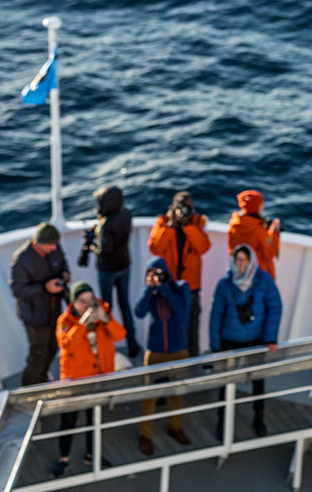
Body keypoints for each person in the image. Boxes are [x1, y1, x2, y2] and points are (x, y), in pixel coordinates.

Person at [52, 281, 125, 477]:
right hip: (75, 381)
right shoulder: (65, 321)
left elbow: (120, 335)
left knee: (95, 420)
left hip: (98, 379)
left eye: (90, 301)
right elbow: (67, 345)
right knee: (68, 421)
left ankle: (91, 454)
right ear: (74, 302)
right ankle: (64, 458)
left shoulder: (103, 316)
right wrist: (83, 323)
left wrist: (106, 319)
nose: (87, 305)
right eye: (82, 301)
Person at [210, 245, 282, 438]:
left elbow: (274, 308)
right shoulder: (224, 284)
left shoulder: (264, 280)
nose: (241, 264)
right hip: (229, 339)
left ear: (251, 262)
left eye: (244, 260)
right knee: (225, 381)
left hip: (255, 339)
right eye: (238, 259)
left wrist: (270, 338)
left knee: (258, 379)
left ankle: (259, 417)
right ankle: (222, 420)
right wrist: (215, 346)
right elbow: (215, 315)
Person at [135, 257, 192, 456]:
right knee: (150, 395)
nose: (156, 276)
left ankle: (175, 427)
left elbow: (182, 309)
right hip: (156, 350)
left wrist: (165, 287)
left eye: (159, 272)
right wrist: (149, 289)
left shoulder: (181, 288)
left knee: (177, 392)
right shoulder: (152, 293)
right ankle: (145, 434)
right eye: (152, 273)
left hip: (178, 349)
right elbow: (139, 312)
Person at [148, 191, 211, 356]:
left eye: (189, 208)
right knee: (169, 330)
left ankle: (192, 363)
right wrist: (170, 225)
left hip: (191, 289)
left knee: (191, 331)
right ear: (173, 208)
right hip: (169, 288)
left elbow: (203, 247)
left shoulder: (197, 224)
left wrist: (186, 226)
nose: (186, 212)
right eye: (182, 208)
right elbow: (156, 248)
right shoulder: (163, 225)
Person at [9, 222, 70, 386]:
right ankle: (29, 387)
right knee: (38, 353)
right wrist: (45, 288)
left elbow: (63, 262)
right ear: (38, 243)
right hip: (35, 317)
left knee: (53, 347)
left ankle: (41, 377)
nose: (54, 248)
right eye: (50, 245)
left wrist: (65, 273)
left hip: (53, 312)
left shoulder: (55, 249)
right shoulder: (21, 260)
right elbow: (17, 290)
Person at [85, 186, 140, 357]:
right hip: (124, 266)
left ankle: (108, 345)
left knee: (106, 309)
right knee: (125, 306)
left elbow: (104, 251)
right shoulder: (127, 214)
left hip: (108, 270)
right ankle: (132, 344)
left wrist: (90, 245)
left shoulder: (105, 225)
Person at [227, 190, 281, 280]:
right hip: (258, 276)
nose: (263, 208)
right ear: (256, 208)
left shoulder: (235, 224)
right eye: (261, 205)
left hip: (239, 272)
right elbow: (268, 253)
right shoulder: (257, 230)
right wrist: (274, 232)